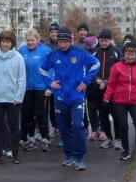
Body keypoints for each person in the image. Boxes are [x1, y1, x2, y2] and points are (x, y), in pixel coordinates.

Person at [39, 26, 100, 170]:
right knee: (64, 128)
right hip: (60, 97)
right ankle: (69, 155)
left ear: (70, 41)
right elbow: (42, 69)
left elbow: (96, 64)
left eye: (65, 42)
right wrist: (50, 83)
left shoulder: (80, 52)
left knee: (78, 126)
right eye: (60, 42)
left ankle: (79, 158)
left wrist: (85, 81)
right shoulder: (53, 54)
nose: (62, 45)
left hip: (76, 96)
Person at [104, 41, 136, 163]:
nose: (130, 57)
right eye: (128, 54)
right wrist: (106, 98)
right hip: (119, 101)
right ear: (124, 54)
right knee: (123, 126)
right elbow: (111, 84)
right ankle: (125, 150)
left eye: (133, 54)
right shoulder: (116, 67)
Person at [0, 29, 26, 164]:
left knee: (14, 127)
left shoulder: (18, 57)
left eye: (8, 42)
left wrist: (19, 96)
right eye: (3, 41)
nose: (5, 44)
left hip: (13, 99)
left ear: (12, 43)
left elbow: (22, 79)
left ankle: (15, 155)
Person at [19, 29, 52, 152]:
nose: (30, 42)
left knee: (40, 114)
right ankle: (31, 138)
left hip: (41, 87)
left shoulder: (46, 51)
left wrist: (49, 87)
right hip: (26, 88)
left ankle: (45, 138)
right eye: (28, 40)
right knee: (27, 114)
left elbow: (51, 69)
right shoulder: (22, 51)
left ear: (38, 40)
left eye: (32, 40)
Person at [88, 28, 120, 148]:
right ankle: (109, 138)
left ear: (110, 40)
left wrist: (107, 81)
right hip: (98, 89)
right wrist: (95, 79)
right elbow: (89, 68)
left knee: (116, 115)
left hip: (113, 89)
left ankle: (118, 139)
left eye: (106, 40)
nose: (104, 43)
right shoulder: (95, 52)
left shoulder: (116, 52)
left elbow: (120, 70)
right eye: (101, 40)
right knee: (103, 115)